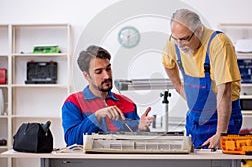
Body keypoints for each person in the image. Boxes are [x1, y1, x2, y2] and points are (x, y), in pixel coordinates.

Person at [162, 9, 242, 149]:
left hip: (222, 119)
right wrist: (179, 87)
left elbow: (225, 91)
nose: (179, 45)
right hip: (195, 119)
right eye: (176, 39)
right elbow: (168, 63)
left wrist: (221, 133)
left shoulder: (219, 44)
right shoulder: (175, 42)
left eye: (184, 39)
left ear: (199, 30)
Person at [62, 45, 154, 146]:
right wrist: (97, 116)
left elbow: (138, 144)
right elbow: (71, 140)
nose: (107, 76)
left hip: (121, 161)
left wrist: (141, 129)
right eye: (99, 72)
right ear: (86, 75)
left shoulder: (127, 103)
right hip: (88, 162)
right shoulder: (73, 103)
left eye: (108, 69)